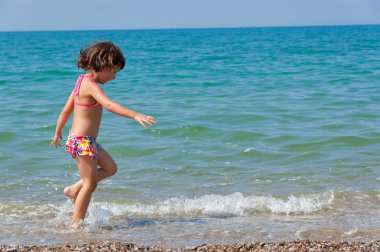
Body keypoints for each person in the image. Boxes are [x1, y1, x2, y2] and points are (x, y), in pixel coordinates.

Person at [51, 41, 156, 228]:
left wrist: (58, 132)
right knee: (90, 184)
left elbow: (66, 110)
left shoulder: (80, 81)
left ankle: (73, 189)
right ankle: (77, 223)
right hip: (82, 141)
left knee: (110, 169)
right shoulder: (90, 85)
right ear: (103, 65)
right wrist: (134, 114)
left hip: (86, 141)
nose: (114, 77)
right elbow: (107, 104)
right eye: (114, 71)